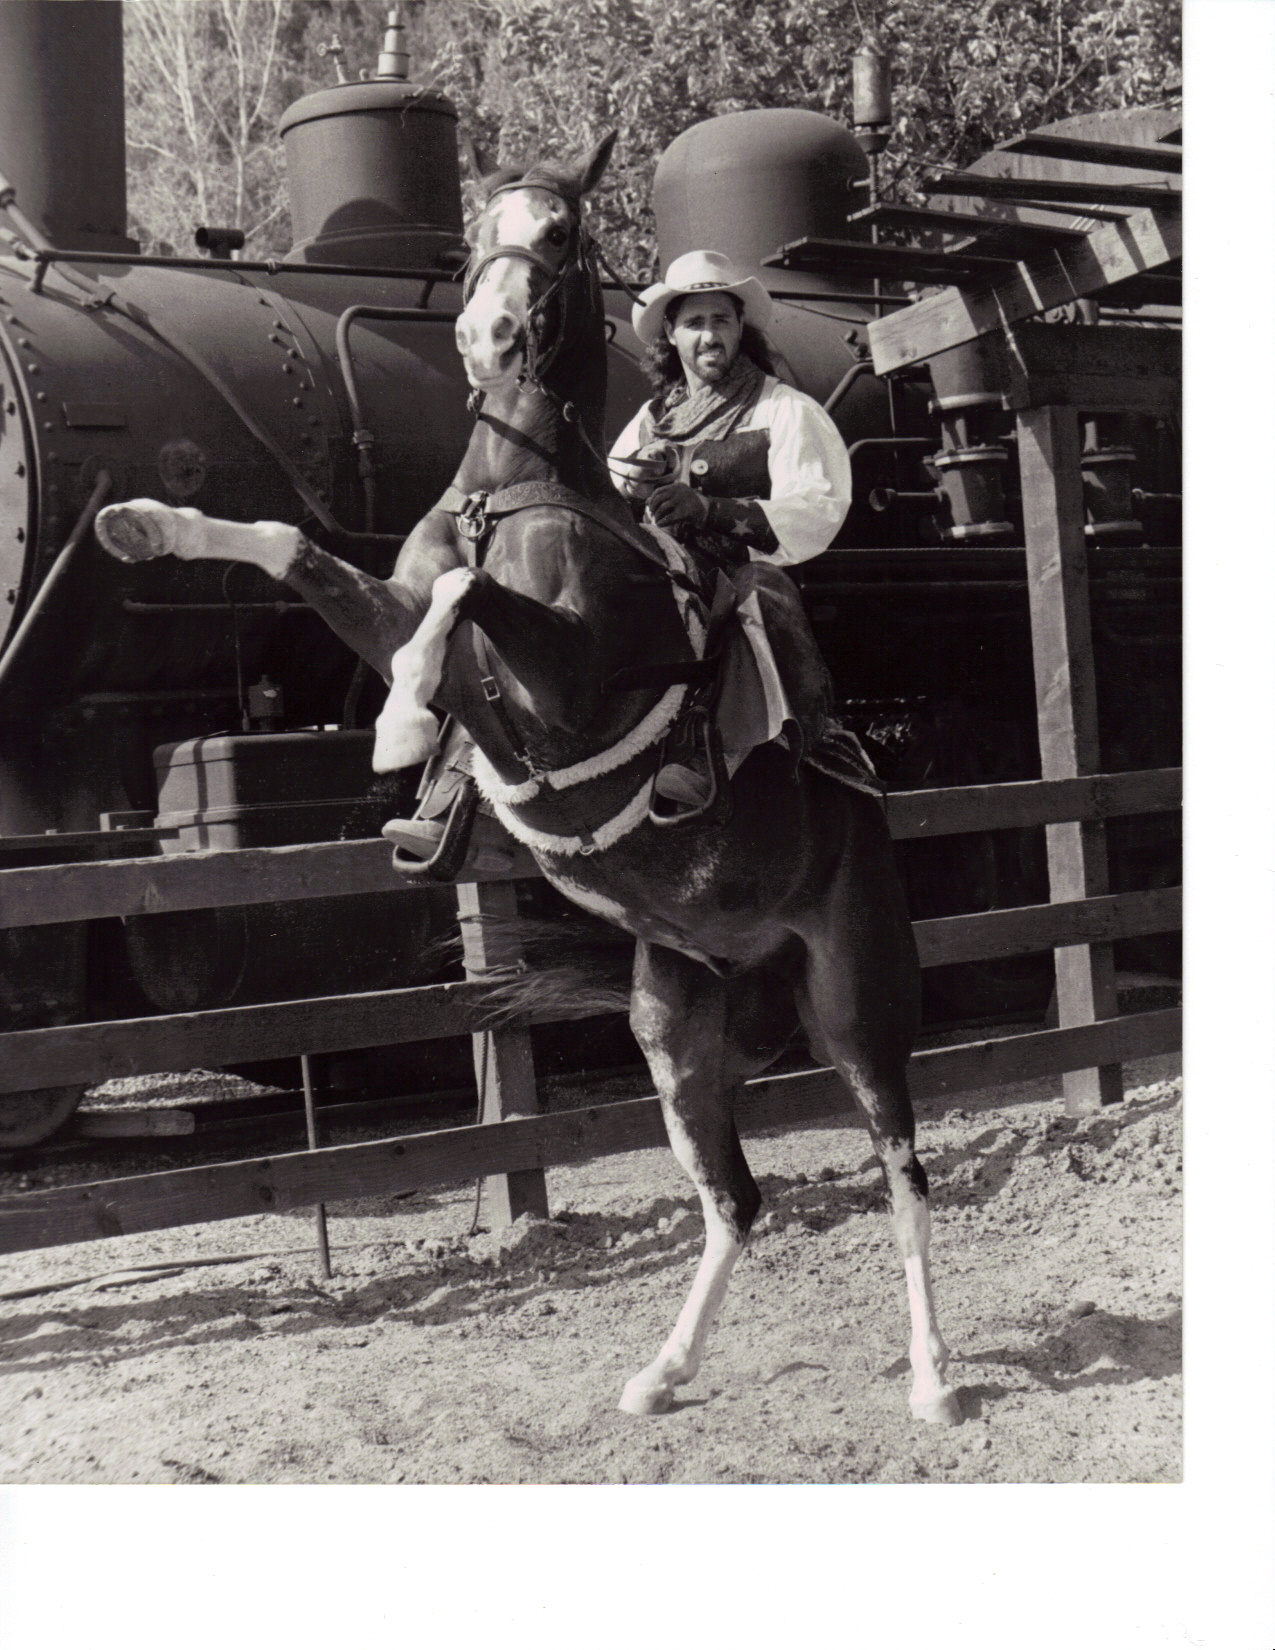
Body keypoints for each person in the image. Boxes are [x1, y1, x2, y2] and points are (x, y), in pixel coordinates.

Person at [608, 249, 853, 811]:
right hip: (660, 573)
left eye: (721, 320)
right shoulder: (649, 421)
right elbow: (611, 490)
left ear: (742, 327)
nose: (709, 336)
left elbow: (816, 508)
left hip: (734, 577)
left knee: (759, 595)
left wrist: (709, 510)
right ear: (670, 334)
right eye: (694, 322)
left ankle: (717, 755)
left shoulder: (785, 410)